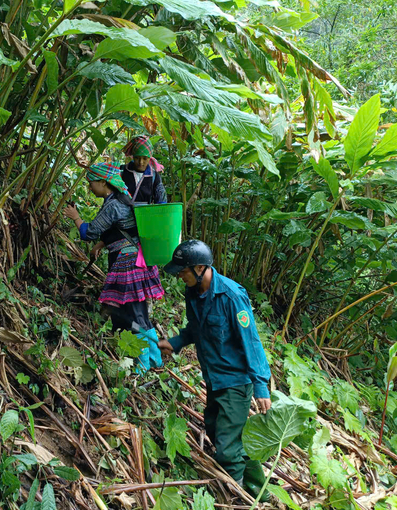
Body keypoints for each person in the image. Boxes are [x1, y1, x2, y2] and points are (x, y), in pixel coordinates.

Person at [158, 240, 271, 500]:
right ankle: (260, 492)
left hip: (235, 382)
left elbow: (251, 342)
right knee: (216, 429)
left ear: (200, 268)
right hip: (214, 378)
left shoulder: (232, 296)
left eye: (183, 271)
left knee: (228, 449)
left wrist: (261, 386)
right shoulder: (193, 294)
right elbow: (195, 330)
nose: (180, 277)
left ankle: (240, 498)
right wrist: (173, 343)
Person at [63, 162, 164, 372]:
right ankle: (154, 359)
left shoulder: (112, 205)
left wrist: (76, 218)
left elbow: (88, 232)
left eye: (92, 183)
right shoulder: (120, 200)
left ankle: (142, 365)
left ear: (103, 182)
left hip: (128, 265)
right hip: (137, 262)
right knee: (135, 313)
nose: (90, 187)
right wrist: (103, 243)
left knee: (135, 314)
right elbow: (121, 228)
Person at [120, 135, 167, 205]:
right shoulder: (122, 171)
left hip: (144, 214)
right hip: (122, 213)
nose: (140, 162)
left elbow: (161, 199)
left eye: (145, 158)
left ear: (149, 158)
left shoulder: (154, 176)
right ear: (133, 157)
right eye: (137, 158)